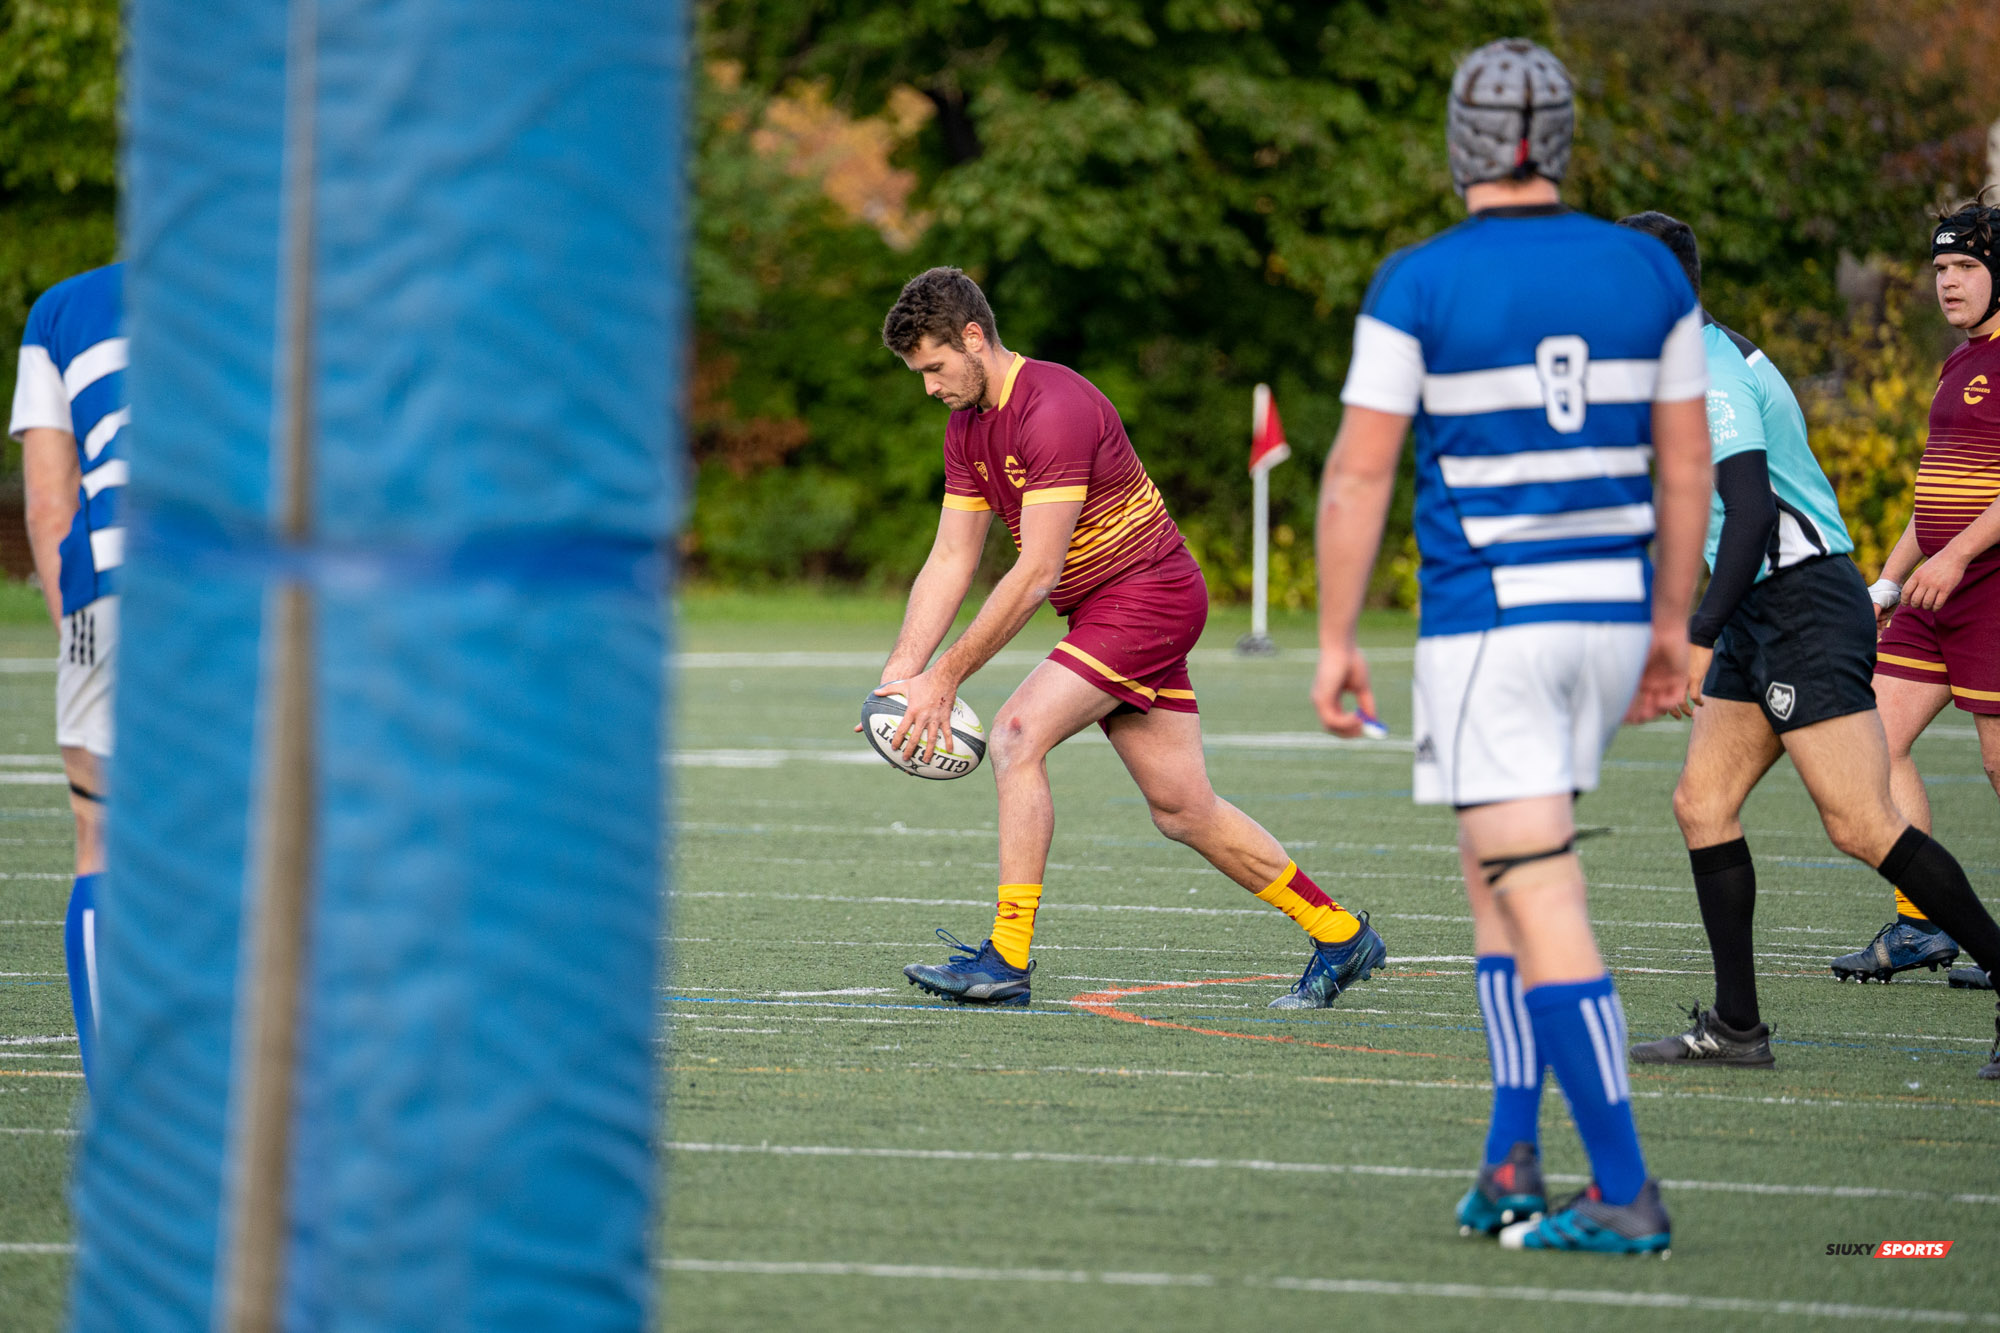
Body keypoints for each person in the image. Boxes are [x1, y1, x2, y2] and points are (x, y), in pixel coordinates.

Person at [1313, 40, 1711, 1254]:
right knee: (1494, 877)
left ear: (1461, 143)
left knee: (1535, 884)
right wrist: (1669, 624)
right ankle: (1507, 1155)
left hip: (1494, 627)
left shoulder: (1415, 281)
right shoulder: (1648, 269)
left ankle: (1624, 1190)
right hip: (1604, 618)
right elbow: (1686, 462)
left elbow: (1359, 469)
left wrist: (1332, 635)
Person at [878, 266, 1385, 1010]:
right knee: (1182, 807)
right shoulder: (967, 427)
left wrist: (946, 677)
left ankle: (1006, 959)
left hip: (1149, 595)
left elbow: (1037, 571)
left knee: (1018, 734)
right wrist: (901, 672)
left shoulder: (1053, 407)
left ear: (975, 339)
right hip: (1111, 608)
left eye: (934, 368)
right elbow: (952, 556)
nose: (929, 387)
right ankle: (1339, 932)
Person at [1610, 212, 2000, 1082]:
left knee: (1861, 824)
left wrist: (1699, 637)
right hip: (1762, 605)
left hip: (1800, 605)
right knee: (1701, 803)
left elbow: (1748, 514)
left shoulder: (1707, 375)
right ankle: (1738, 1026)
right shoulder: (1680, 367)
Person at [1835, 194, 2000, 993]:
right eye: (1941, 268)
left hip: (1989, 589)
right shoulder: (1958, 360)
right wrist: (1891, 578)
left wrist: (1960, 556)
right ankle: (1922, 921)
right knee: (1871, 745)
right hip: (1934, 593)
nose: (1949, 282)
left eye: (1967, 266)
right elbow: (1936, 493)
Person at [9, 261, 127, 1088]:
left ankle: (121, 1097)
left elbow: (49, 504)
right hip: (243, 581)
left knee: (102, 839)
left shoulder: (60, 309)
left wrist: (79, 630)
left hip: (110, 586)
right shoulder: (295, 280)